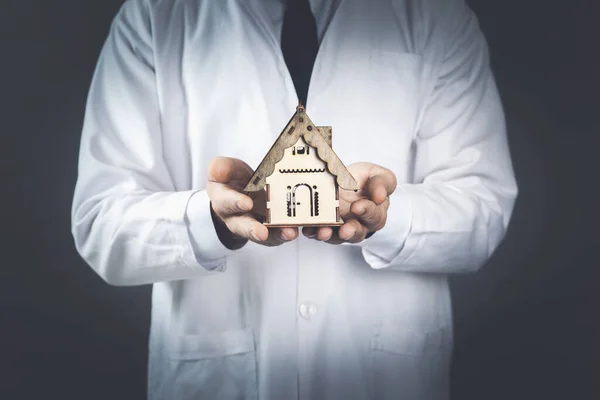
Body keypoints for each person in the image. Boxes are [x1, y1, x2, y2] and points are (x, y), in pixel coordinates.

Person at [71, 0, 518, 398]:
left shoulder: (437, 14)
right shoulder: (153, 15)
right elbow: (100, 223)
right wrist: (211, 221)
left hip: (384, 375)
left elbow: (483, 206)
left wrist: (386, 215)